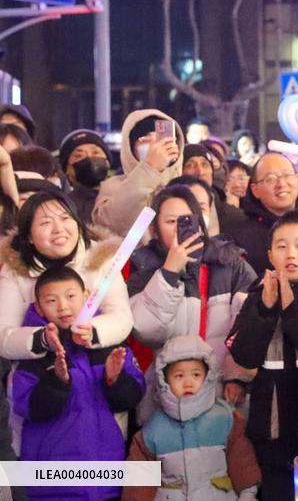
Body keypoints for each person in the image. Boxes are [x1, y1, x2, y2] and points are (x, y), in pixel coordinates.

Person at [11, 266, 144, 501]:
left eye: (70, 296)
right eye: (51, 300)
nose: (63, 306)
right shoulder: (33, 352)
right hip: (50, 485)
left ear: (86, 296)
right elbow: (27, 407)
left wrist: (114, 380)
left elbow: (133, 397)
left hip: (105, 479)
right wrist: (58, 382)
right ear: (39, 307)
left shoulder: (107, 343)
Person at [128, 185, 256, 422]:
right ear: (154, 229)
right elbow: (145, 331)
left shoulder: (229, 262)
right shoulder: (143, 267)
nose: (180, 228)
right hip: (166, 399)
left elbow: (250, 322)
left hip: (224, 395)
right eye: (170, 221)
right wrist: (169, 272)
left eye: (187, 220)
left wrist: (238, 375)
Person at [227, 212, 298, 501]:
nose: (291, 254)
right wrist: (265, 308)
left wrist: (290, 309)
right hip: (270, 424)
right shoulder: (258, 295)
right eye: (282, 247)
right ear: (270, 255)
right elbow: (244, 355)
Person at [124, 335, 261, 501]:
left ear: (207, 376)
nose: (188, 383)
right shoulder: (153, 430)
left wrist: (247, 493)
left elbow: (242, 462)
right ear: (164, 379)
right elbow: (139, 482)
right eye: (179, 376)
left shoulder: (224, 420)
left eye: (196, 375)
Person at [0, 191, 132, 362]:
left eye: (65, 218)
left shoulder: (100, 258)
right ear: (29, 236)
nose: (58, 229)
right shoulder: (14, 270)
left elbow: (121, 316)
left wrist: (92, 331)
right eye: (46, 223)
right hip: (39, 369)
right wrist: (42, 339)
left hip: (97, 362)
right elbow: (3, 334)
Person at [93, 110, 184, 238]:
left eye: (161, 140)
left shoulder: (188, 185)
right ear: (130, 146)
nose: (155, 147)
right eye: (147, 139)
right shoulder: (112, 186)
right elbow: (109, 225)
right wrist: (149, 169)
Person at [220, 152, 298, 275]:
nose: (281, 184)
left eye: (287, 175)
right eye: (270, 179)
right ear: (255, 189)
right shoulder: (238, 235)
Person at [58, 130, 111, 224]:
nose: (89, 158)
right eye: (79, 156)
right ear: (67, 169)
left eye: (95, 152)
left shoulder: (124, 197)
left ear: (108, 162)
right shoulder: (63, 207)